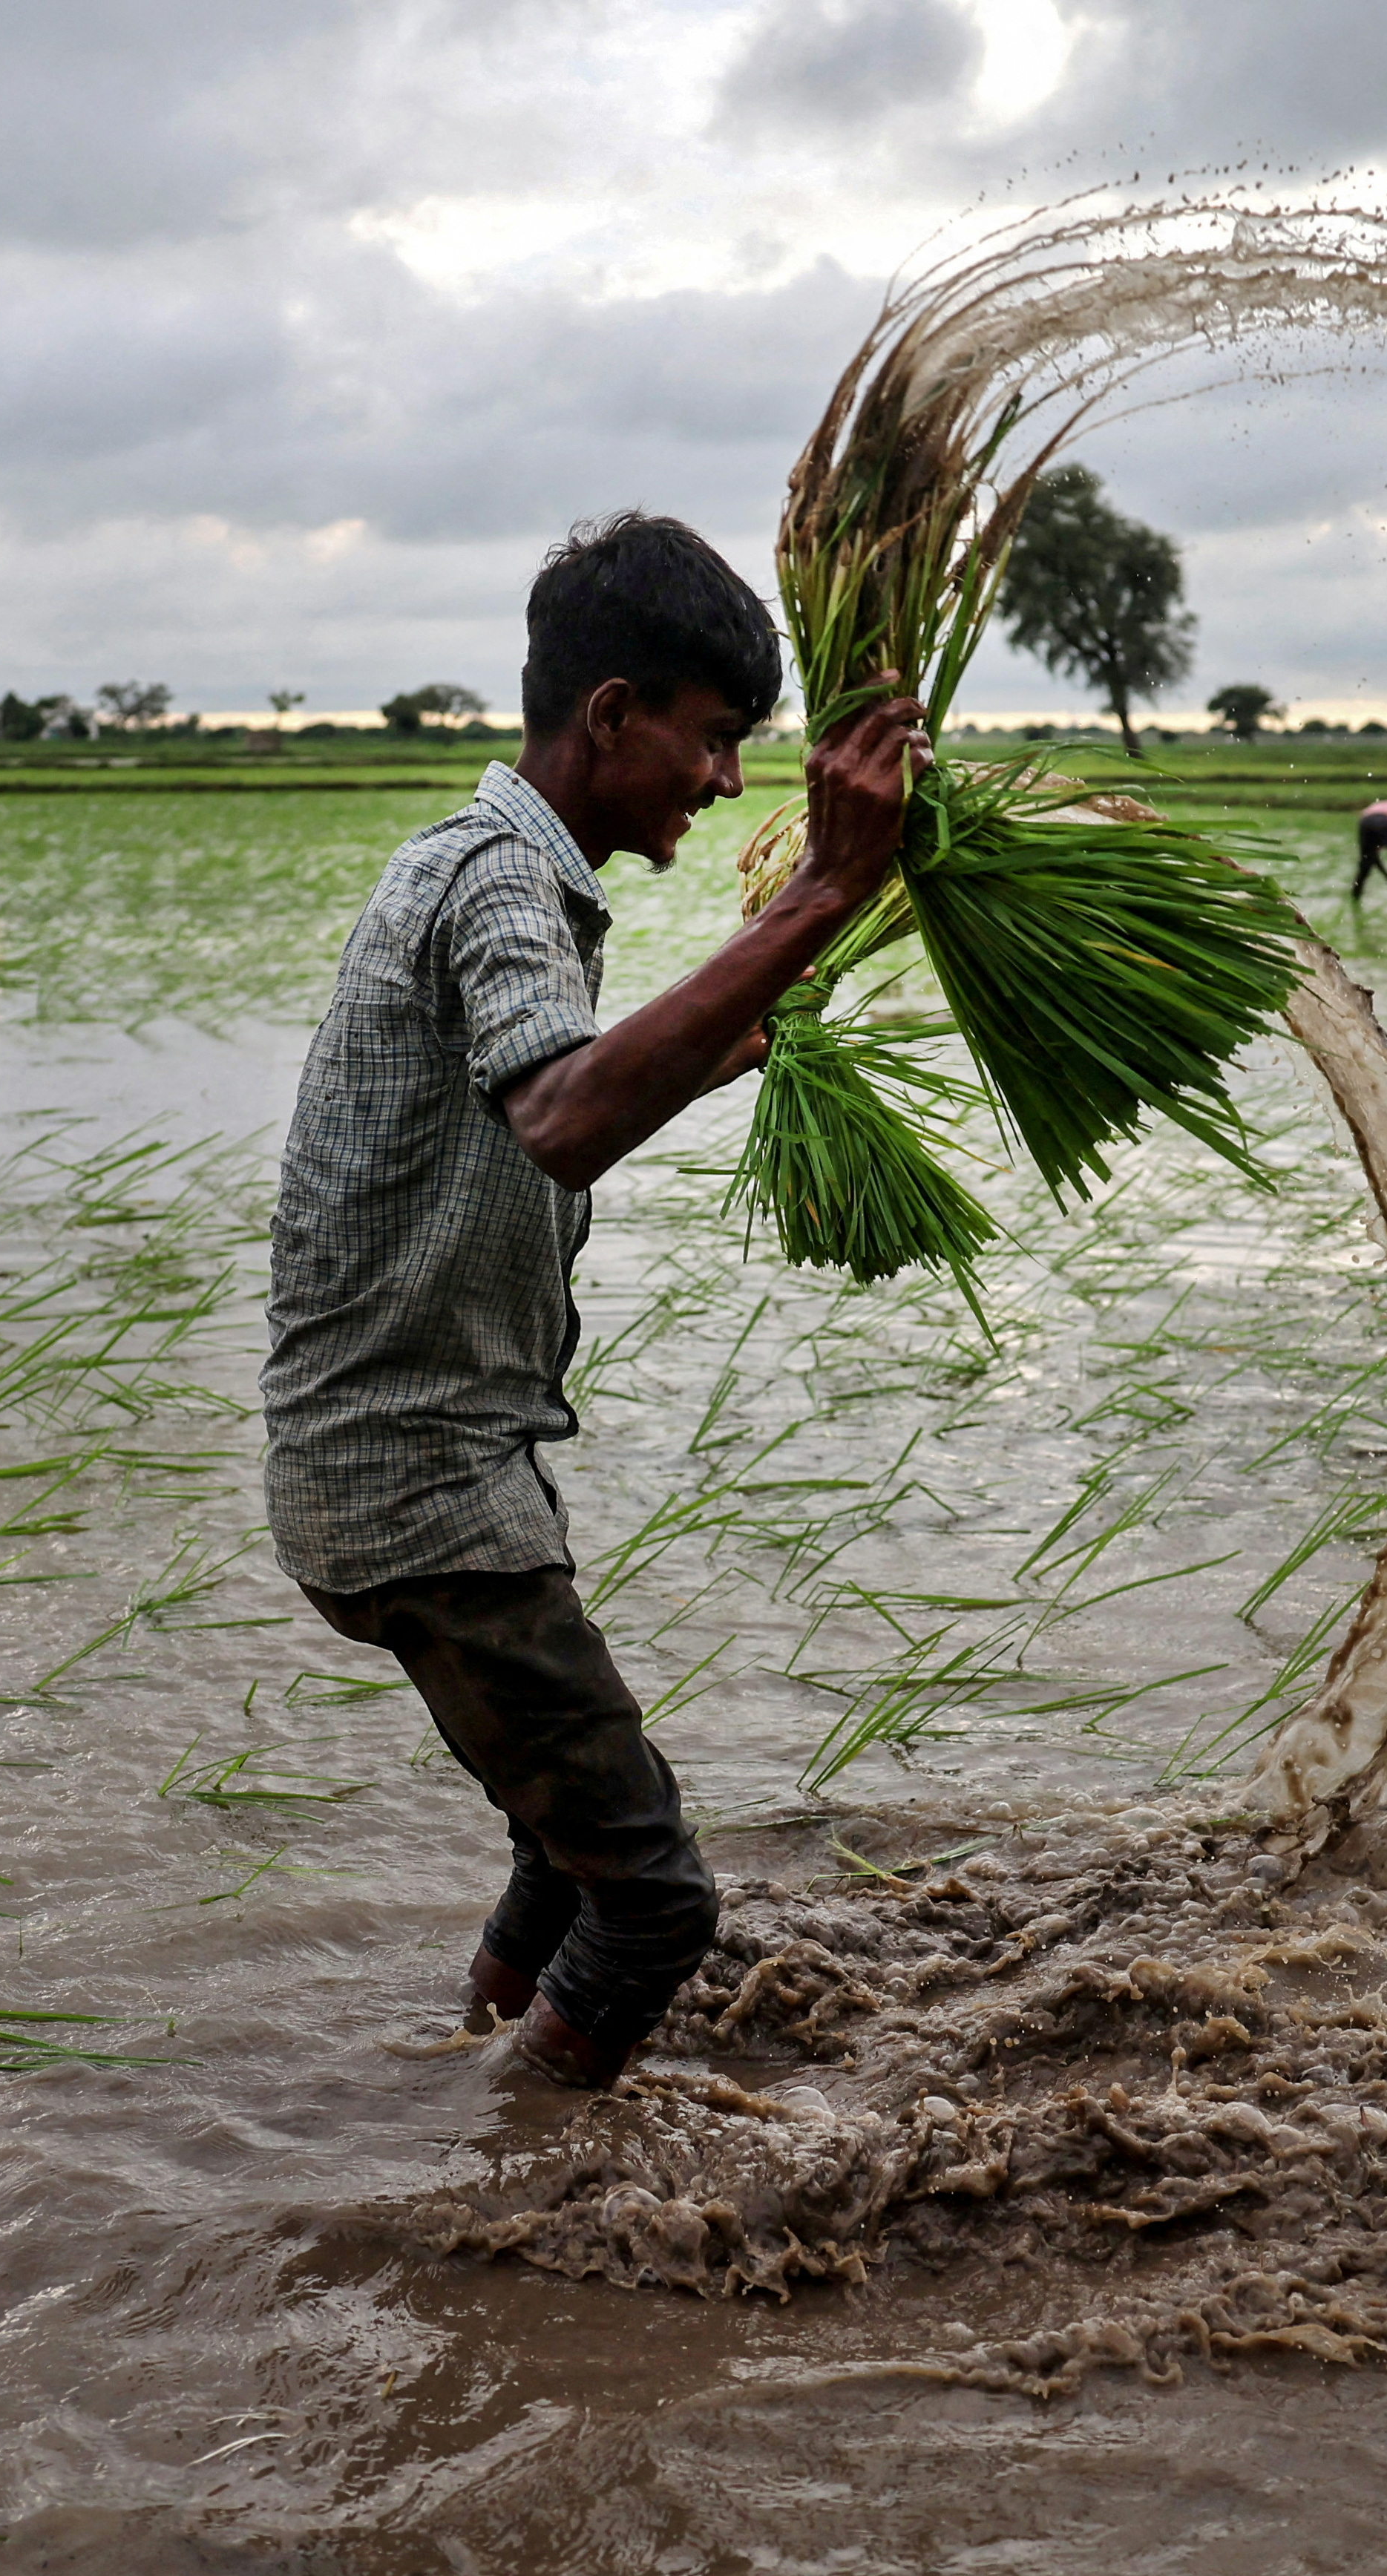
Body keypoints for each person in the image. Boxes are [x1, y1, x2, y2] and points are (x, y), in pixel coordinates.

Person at [260, 512, 927, 2091]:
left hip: (406, 1474)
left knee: (563, 1859)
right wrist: (825, 888)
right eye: (711, 740)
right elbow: (560, 1114)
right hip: (420, 1494)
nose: (727, 783)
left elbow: (537, 1114)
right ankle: (503, 2191)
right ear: (610, 712)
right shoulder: (498, 880)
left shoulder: (491, 873)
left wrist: (716, 1044)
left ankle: (449, 2064)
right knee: (655, 1902)